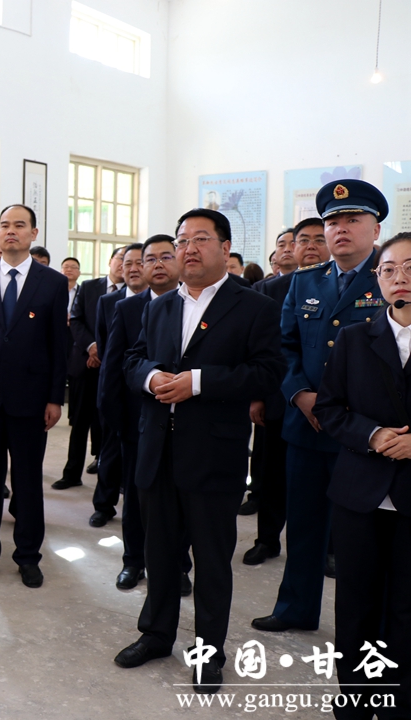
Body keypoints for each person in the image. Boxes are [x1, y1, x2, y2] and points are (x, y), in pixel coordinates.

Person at [114, 208, 284, 695]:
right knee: (160, 553)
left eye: (201, 239)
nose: (188, 249)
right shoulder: (160, 305)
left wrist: (199, 382)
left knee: (210, 561)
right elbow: (133, 358)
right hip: (157, 450)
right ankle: (156, 634)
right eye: (182, 240)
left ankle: (209, 652)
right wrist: (151, 377)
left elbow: (268, 372)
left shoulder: (253, 306)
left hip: (213, 455)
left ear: (225, 248)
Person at [252, 179, 385, 635]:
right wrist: (300, 394)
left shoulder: (389, 277)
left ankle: (366, 629)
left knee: (363, 538)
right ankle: (296, 608)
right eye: (333, 222)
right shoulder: (304, 282)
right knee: (305, 527)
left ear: (375, 229)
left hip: (363, 433)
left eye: (352, 219)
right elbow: (283, 346)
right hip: (306, 426)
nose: (340, 229)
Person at [313, 232, 411, 716]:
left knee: (407, 607)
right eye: (389, 269)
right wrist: (371, 435)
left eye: (410, 268)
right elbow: (329, 408)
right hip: (359, 493)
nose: (400, 278)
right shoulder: (355, 337)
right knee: (355, 604)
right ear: (378, 279)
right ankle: (354, 699)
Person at [0, 204, 69, 590]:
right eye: (4, 225)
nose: (10, 231)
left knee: (27, 483)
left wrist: (55, 397)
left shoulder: (52, 283)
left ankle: (28, 556)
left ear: (33, 233)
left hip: (32, 400)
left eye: (19, 225)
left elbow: (59, 346)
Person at [98, 235, 185, 589]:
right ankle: (133, 560)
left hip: (186, 423)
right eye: (150, 259)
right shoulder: (127, 308)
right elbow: (113, 367)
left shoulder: (197, 304)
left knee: (179, 499)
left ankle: (178, 565)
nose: (158, 265)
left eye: (166, 257)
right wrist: (116, 421)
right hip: (138, 422)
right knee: (137, 497)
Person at [241, 227, 300, 563]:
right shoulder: (265, 290)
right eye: (283, 244)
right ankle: (267, 539)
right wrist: (257, 396)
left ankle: (328, 548)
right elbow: (258, 350)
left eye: (298, 242)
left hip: (327, 401)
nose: (290, 248)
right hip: (276, 396)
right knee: (271, 473)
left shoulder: (336, 286)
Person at [55, 247, 124, 489]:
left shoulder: (133, 292)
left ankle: (108, 471)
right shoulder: (89, 287)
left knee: (109, 421)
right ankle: (71, 473)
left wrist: (103, 352)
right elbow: (76, 320)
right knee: (79, 422)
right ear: (110, 261)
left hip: (114, 367)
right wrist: (92, 347)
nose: (124, 264)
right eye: (120, 258)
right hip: (84, 363)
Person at [88, 243, 145, 528]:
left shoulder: (165, 300)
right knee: (109, 450)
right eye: (127, 263)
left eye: (139, 262)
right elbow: (105, 346)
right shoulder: (108, 302)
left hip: (148, 391)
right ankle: (104, 504)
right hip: (116, 389)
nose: (132, 269)